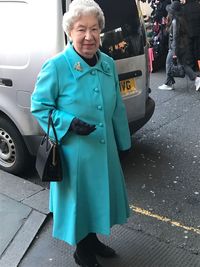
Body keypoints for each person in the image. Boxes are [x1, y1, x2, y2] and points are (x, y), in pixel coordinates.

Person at [31, 0, 131, 266]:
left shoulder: (108, 63)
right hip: (74, 152)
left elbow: (117, 106)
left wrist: (123, 142)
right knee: (80, 202)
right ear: (70, 32)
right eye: (81, 29)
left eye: (95, 29)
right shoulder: (57, 66)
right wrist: (68, 123)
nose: (89, 36)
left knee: (98, 199)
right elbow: (39, 106)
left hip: (104, 148)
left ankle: (93, 240)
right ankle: (82, 250)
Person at [158, 1, 200, 91]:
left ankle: (169, 83)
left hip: (175, 47)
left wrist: (174, 52)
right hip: (180, 46)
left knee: (169, 64)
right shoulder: (181, 19)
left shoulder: (174, 21)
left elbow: (175, 37)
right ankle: (196, 80)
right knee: (183, 64)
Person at [182, 0, 200, 71]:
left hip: (188, 32)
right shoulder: (198, 6)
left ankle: (192, 67)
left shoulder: (184, 8)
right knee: (198, 50)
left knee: (190, 50)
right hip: (198, 32)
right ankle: (199, 66)